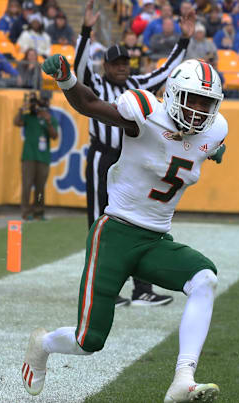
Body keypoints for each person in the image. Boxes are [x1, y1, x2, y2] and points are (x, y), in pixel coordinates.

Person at [25, 53, 227, 403]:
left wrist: (214, 150)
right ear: (173, 94)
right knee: (89, 342)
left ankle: (183, 378)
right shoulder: (145, 112)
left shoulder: (216, 129)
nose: (197, 110)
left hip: (156, 239)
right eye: (191, 99)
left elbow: (194, 146)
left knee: (205, 279)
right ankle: (42, 344)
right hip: (115, 234)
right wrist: (67, 80)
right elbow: (89, 104)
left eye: (205, 103)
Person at [75, 0, 195, 307]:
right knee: (99, 220)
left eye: (125, 62)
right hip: (104, 156)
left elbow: (167, 71)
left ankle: (142, 288)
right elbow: (78, 70)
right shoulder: (97, 84)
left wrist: (184, 39)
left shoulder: (138, 84)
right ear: (106, 66)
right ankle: (103, 290)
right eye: (116, 64)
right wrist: (86, 31)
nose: (122, 67)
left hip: (135, 161)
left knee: (139, 220)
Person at [13, 91, 58, 221]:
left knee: (40, 188)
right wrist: (23, 109)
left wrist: (48, 121)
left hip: (43, 158)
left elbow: (54, 136)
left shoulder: (50, 118)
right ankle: (26, 212)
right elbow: (17, 122)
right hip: (28, 157)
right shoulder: (29, 117)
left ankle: (39, 211)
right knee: (27, 185)